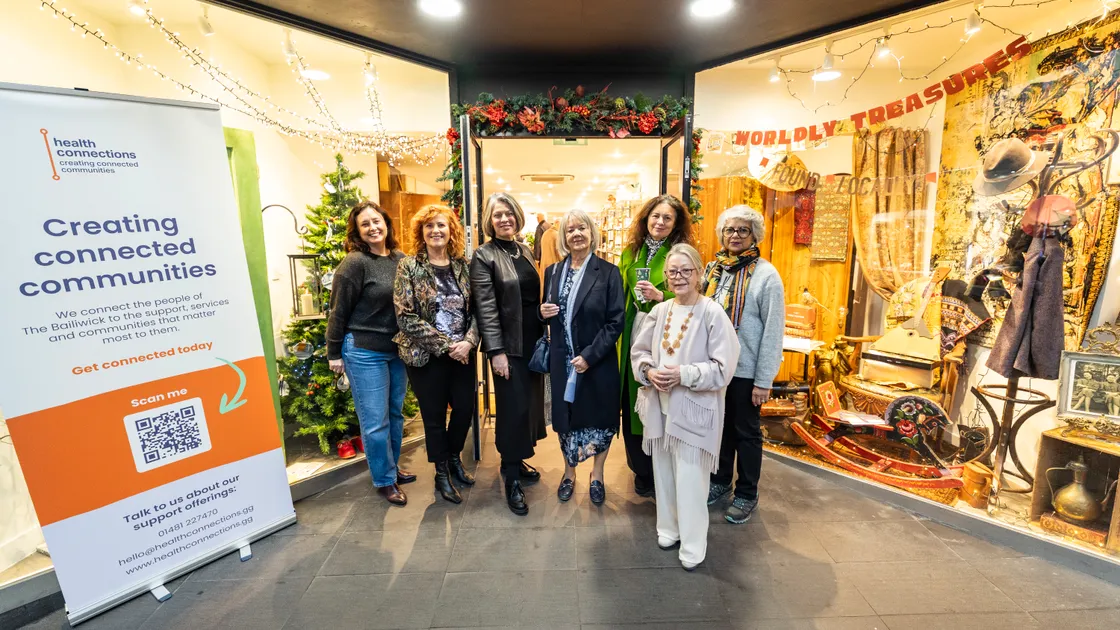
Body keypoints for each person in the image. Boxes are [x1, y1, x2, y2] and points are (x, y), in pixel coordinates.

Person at [630, 243, 739, 571]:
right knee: (663, 474)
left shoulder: (711, 313)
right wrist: (648, 371)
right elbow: (640, 352)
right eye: (673, 272)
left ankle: (693, 545)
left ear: (698, 274)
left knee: (691, 481)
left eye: (686, 271)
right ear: (665, 276)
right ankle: (669, 528)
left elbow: (723, 368)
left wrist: (683, 374)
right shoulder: (660, 311)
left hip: (694, 411)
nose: (679, 278)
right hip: (660, 409)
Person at [701, 206, 785, 524]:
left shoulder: (766, 276)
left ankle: (747, 493)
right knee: (719, 428)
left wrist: (764, 380)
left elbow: (773, 332)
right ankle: (721, 481)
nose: (734, 236)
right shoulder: (714, 270)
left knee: (746, 433)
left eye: (742, 231)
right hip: (714, 367)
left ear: (754, 235)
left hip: (746, 371)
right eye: (729, 230)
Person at [327, 200, 414, 506]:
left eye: (376, 221)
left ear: (386, 223)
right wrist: (333, 352)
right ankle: (384, 480)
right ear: (358, 231)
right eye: (365, 224)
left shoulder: (401, 259)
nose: (373, 228)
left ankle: (390, 468)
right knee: (374, 420)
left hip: (396, 350)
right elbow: (337, 310)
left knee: (394, 414)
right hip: (364, 351)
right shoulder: (354, 263)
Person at [393, 204, 479, 504]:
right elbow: (405, 316)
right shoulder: (409, 266)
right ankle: (441, 472)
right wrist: (446, 347)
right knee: (433, 417)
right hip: (425, 356)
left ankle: (453, 457)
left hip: (463, 353)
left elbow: (477, 311)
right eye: (429, 226)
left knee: (465, 409)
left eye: (441, 225)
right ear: (421, 232)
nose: (436, 231)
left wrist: (468, 342)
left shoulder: (462, 265)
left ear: (450, 229)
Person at [540, 209, 625, 505]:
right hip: (563, 362)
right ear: (564, 237)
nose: (576, 234)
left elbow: (616, 321)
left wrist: (589, 356)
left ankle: (597, 475)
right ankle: (569, 473)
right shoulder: (553, 272)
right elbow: (549, 311)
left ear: (592, 233)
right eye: (570, 230)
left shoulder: (609, 272)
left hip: (596, 361)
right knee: (567, 421)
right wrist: (542, 313)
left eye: (582, 228)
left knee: (600, 420)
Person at [470, 192, 546, 515]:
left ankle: (513, 461)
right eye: (498, 215)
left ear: (517, 217)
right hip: (508, 347)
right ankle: (511, 479)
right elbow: (486, 308)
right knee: (512, 411)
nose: (504, 219)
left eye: (509, 214)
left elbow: (529, 297)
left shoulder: (525, 250)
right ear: (490, 220)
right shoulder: (483, 255)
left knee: (526, 408)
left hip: (532, 343)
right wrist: (496, 352)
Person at [618, 194, 695, 497]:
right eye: (655, 216)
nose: (659, 222)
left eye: (667, 218)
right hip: (632, 331)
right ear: (645, 218)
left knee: (658, 401)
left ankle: (659, 468)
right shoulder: (631, 252)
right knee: (631, 400)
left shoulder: (681, 254)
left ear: (676, 224)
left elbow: (691, 294)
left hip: (665, 333)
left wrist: (661, 296)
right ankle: (640, 468)